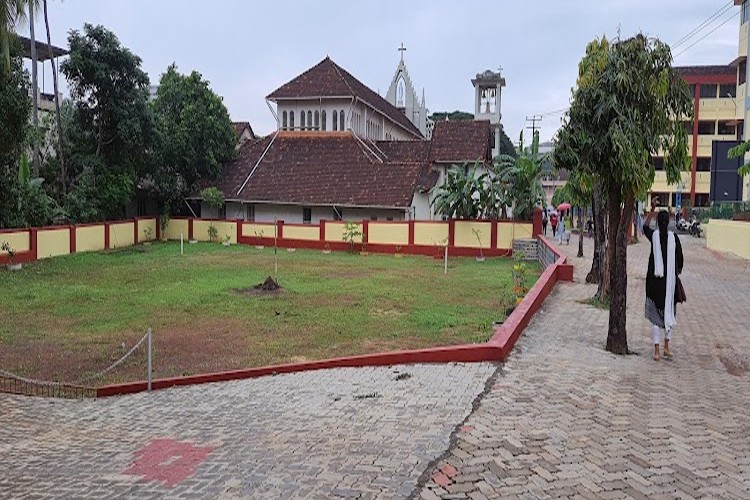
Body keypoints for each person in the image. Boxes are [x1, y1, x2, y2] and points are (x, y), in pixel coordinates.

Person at [643, 201, 684, 361]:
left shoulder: (653, 237)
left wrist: (651, 211)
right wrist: (676, 272)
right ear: (669, 223)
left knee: (655, 317)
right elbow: (680, 259)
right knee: (669, 312)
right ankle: (667, 347)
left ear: (658, 223)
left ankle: (656, 351)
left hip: (654, 282)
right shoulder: (674, 239)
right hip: (669, 284)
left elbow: (645, 227)